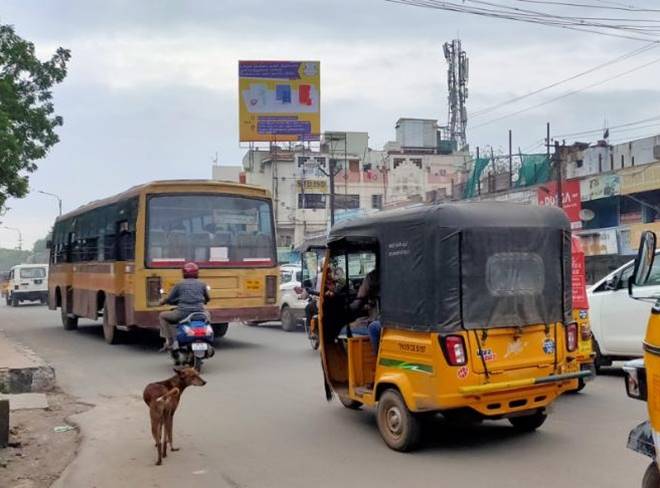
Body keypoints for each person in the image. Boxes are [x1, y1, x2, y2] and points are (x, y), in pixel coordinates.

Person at [158, 262, 210, 354]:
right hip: (199, 313)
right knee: (208, 315)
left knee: (162, 315)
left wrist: (162, 302)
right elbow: (207, 298)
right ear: (197, 273)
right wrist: (203, 301)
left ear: (184, 273)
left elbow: (170, 298)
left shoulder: (179, 284)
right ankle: (207, 336)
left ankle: (169, 341)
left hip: (182, 314)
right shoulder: (202, 284)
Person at [349, 268, 381, 354]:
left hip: (380, 320)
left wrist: (348, 308)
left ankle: (375, 354)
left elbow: (358, 301)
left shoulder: (372, 276)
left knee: (347, 328)